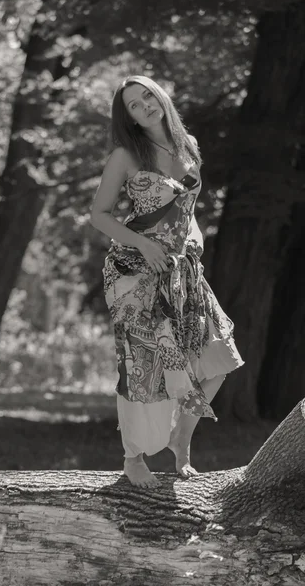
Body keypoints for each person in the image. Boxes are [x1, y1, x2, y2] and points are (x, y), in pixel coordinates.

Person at [90, 75, 244, 489]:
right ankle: (133, 457)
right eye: (133, 107)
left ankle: (181, 440)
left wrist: (194, 242)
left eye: (147, 97)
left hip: (183, 270)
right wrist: (143, 245)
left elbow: (187, 207)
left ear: (160, 96)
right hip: (134, 271)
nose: (144, 107)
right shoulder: (126, 154)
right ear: (129, 118)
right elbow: (99, 214)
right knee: (144, 364)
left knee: (218, 357)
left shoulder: (187, 145)